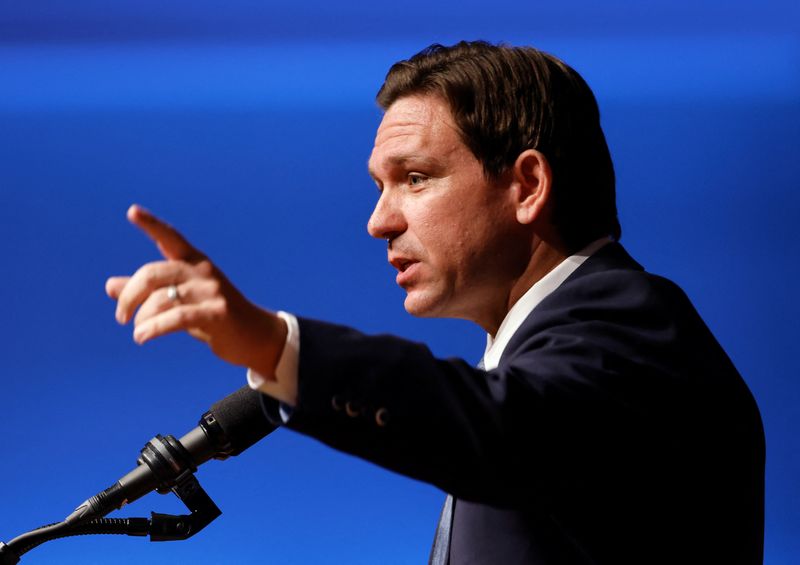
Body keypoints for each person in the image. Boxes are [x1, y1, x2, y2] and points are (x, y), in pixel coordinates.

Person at [106, 41, 765, 564]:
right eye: (379, 186)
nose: (378, 221)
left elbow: (501, 427)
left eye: (415, 179)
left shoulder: (634, 329)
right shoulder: (549, 348)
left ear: (528, 185)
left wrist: (276, 346)